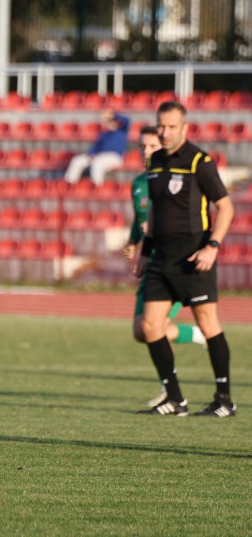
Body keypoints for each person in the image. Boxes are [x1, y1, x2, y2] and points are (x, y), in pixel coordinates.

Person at [136, 101, 235, 417]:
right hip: (161, 256)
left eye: (171, 127)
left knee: (208, 325)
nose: (164, 132)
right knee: (150, 326)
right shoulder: (155, 161)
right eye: (160, 126)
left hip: (194, 255)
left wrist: (213, 246)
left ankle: (224, 399)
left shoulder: (199, 161)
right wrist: (145, 251)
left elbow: (226, 207)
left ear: (185, 128)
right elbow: (155, 210)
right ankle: (175, 399)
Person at [122, 125, 206, 406]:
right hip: (151, 262)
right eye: (142, 147)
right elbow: (140, 219)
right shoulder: (138, 183)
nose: (146, 152)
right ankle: (194, 334)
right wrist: (134, 242)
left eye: (152, 147)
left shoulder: (176, 179)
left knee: (153, 327)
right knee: (140, 330)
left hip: (173, 263)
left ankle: (171, 393)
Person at [64, 109, 130, 186]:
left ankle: (96, 187)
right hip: (99, 156)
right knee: (77, 160)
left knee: (97, 163)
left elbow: (127, 120)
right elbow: (95, 147)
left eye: (111, 121)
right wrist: (91, 154)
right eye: (108, 121)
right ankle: (68, 186)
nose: (109, 123)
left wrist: (113, 115)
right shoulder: (104, 134)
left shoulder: (121, 131)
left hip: (114, 156)